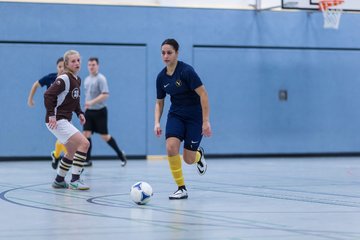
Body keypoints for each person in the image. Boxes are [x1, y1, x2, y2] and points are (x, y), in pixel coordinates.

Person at [154, 39, 212, 200]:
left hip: (194, 116)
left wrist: (205, 121)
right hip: (176, 115)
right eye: (163, 53)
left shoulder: (186, 71)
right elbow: (159, 102)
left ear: (177, 53)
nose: (165, 56)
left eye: (169, 52)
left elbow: (203, 94)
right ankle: (181, 188)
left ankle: (198, 156)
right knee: (171, 147)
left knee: (188, 159)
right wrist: (157, 122)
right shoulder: (161, 78)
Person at [44, 50, 90, 190]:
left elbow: (74, 99)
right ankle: (75, 180)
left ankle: (59, 180)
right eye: (73, 61)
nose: (77, 63)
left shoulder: (77, 79)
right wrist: (51, 114)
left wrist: (79, 113)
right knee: (84, 143)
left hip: (63, 120)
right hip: (57, 120)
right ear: (66, 64)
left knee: (71, 151)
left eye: (78, 60)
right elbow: (48, 95)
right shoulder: (64, 78)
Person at [82, 57, 127, 167]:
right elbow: (87, 95)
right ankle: (87, 160)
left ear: (98, 66)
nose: (91, 67)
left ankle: (120, 154)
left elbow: (105, 94)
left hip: (100, 112)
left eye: (93, 64)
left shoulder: (101, 79)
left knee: (104, 136)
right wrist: (86, 106)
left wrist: (91, 102)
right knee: (86, 134)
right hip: (89, 111)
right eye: (89, 65)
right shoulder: (86, 79)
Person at [27, 57, 67, 170]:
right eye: (59, 66)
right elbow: (36, 84)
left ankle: (56, 155)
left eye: (64, 66)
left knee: (63, 138)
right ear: (57, 67)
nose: (62, 69)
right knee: (65, 137)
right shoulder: (50, 78)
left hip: (65, 113)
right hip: (53, 115)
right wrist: (30, 99)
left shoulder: (69, 79)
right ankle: (74, 161)